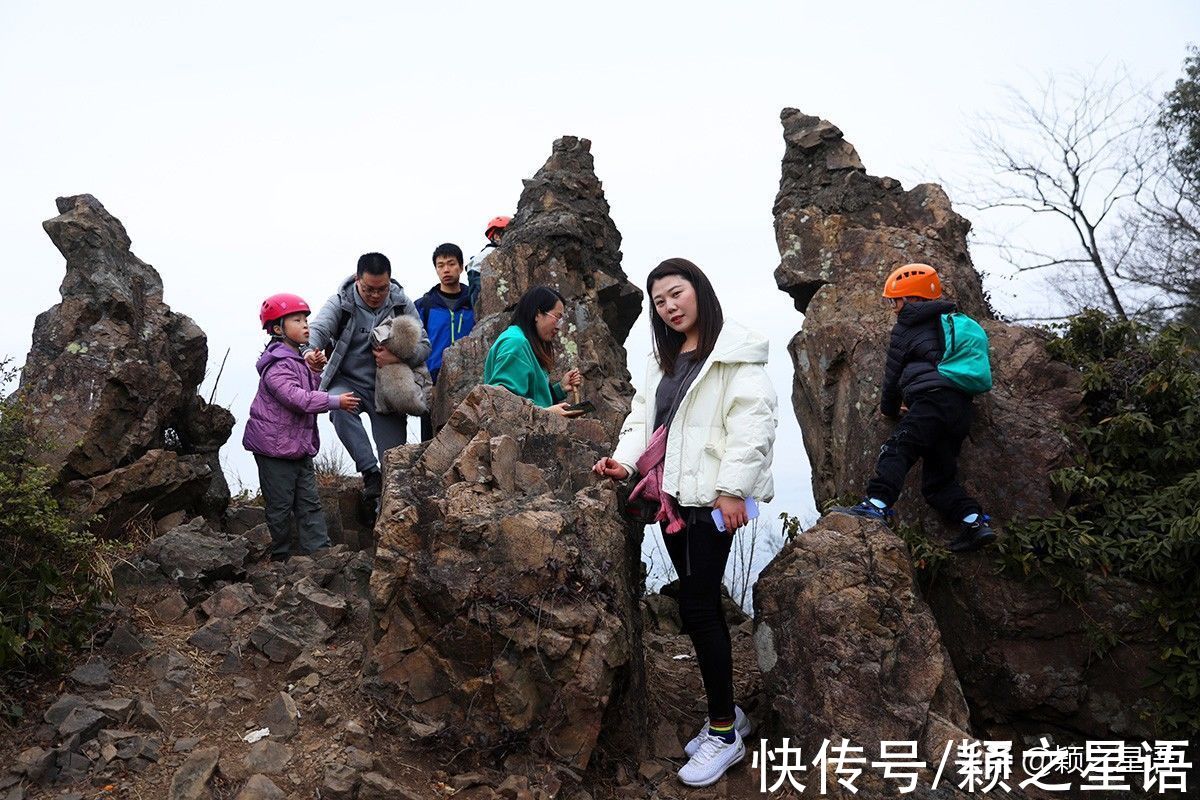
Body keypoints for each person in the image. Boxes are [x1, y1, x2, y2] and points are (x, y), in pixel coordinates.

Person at [592, 258, 777, 788]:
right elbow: (642, 420)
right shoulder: (664, 360)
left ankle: (723, 731)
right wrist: (624, 463)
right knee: (699, 608)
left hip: (711, 501)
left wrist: (732, 489)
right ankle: (729, 715)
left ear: (700, 291)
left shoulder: (734, 352)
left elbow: (753, 422)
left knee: (699, 607)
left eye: (677, 294)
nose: (670, 307)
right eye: (660, 302)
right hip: (675, 499)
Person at [831, 263, 997, 553]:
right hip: (959, 409)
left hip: (931, 403)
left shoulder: (907, 326)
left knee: (897, 449)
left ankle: (877, 505)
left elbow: (892, 376)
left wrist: (889, 409)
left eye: (894, 300)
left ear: (910, 299)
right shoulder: (950, 319)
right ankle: (974, 522)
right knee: (938, 482)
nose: (893, 307)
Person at [305, 253, 430, 504]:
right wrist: (309, 351)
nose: (375, 295)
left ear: (390, 282)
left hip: (387, 389)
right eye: (369, 289)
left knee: (394, 460)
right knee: (338, 405)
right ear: (357, 280)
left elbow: (425, 346)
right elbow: (318, 329)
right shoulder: (341, 302)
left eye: (382, 289)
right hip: (347, 380)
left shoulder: (401, 303)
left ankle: (380, 504)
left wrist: (396, 358)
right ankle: (369, 472)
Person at [243, 293, 360, 561]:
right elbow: (297, 399)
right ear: (276, 329)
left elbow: (308, 390)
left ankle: (320, 554)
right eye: (297, 320)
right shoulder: (276, 365)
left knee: (309, 503)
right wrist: (335, 401)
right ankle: (279, 558)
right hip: (273, 449)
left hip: (298, 447)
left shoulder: (297, 360)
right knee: (280, 506)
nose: (306, 325)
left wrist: (315, 372)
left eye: (306, 319)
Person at [482, 285, 582, 416]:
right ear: (537, 314)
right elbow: (502, 404)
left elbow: (527, 397)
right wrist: (547, 413)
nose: (559, 327)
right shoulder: (515, 344)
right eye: (557, 318)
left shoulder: (523, 342)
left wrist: (560, 389)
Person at [414, 242, 475, 441]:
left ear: (461, 266)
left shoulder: (474, 301)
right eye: (440, 265)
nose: (446, 270)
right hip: (432, 380)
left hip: (469, 376)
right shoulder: (424, 305)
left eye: (451, 264)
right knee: (430, 437)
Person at [465, 215, 510, 310]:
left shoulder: (486, 251)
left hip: (476, 282)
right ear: (497, 236)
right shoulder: (492, 251)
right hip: (479, 281)